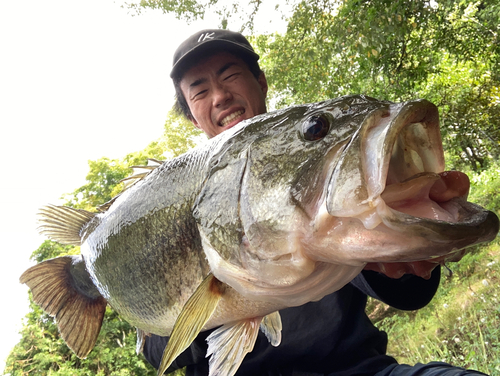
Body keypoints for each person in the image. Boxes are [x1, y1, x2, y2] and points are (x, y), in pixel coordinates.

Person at [142, 29, 487, 376]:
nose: (219, 96)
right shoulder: (164, 210)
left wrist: (409, 251)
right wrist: (216, 309)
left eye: (230, 75)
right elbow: (157, 352)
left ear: (260, 82)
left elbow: (410, 295)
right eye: (200, 90)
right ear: (191, 114)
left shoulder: (312, 158)